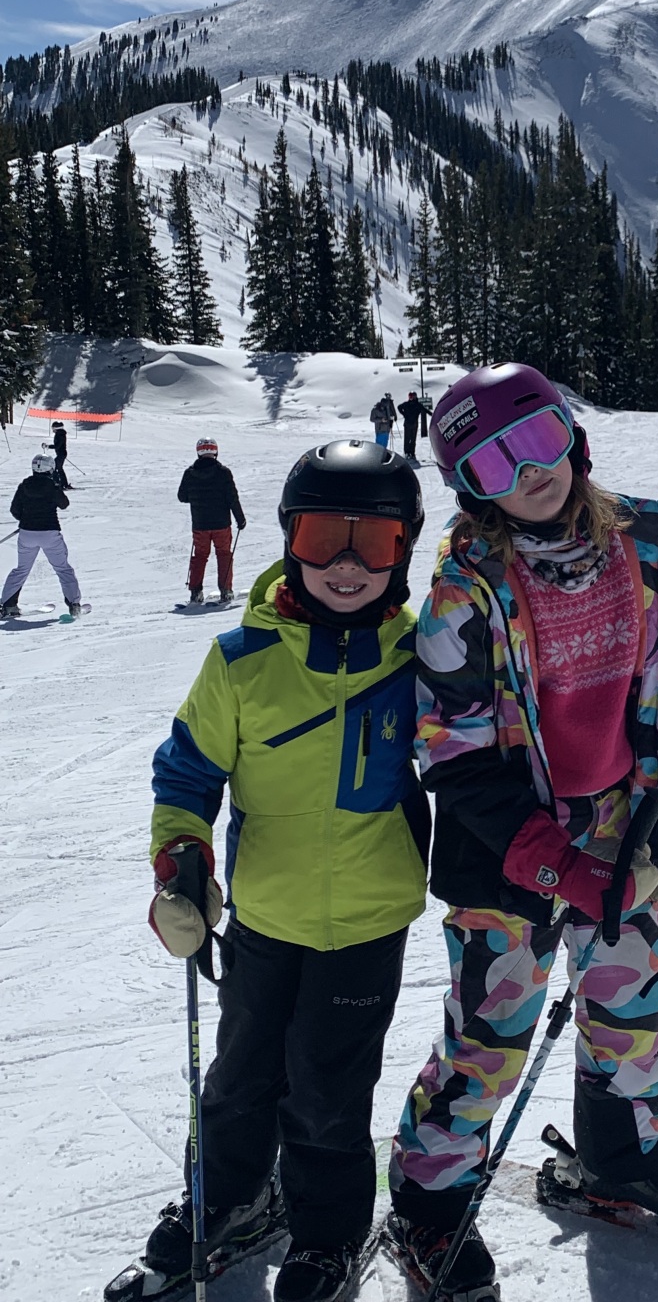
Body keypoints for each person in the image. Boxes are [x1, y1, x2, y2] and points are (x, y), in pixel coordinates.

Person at [386, 363, 658, 1299]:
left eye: (542, 442)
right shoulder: (465, 590)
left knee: (633, 1011)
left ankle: (621, 1158)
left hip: (621, 830)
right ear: (472, 485)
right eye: (498, 464)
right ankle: (429, 1202)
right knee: (490, 1033)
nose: (531, 473)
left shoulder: (636, 544)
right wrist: (558, 870)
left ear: (572, 436)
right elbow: (455, 756)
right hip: (510, 854)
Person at [138, 441, 428, 1302]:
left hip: (368, 921)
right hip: (263, 913)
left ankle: (326, 1235)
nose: (344, 564)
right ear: (288, 540)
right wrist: (182, 860)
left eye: (370, 542)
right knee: (240, 1076)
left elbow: (492, 754)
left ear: (403, 549)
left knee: (329, 1093)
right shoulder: (241, 662)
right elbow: (186, 774)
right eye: (319, 537)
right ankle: (229, 1198)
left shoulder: (426, 662)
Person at [2, 453, 84, 617]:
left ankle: (7, 606)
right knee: (63, 569)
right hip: (49, 533)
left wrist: (27, 521)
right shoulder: (52, 486)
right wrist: (56, 489)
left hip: (27, 534)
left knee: (21, 570)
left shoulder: (24, 485)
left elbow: (14, 510)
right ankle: (74, 604)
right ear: (51, 468)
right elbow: (64, 504)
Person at [178, 439, 247, 605]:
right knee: (224, 555)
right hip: (221, 524)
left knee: (200, 556)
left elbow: (182, 497)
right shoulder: (223, 472)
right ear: (215, 452)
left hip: (200, 524)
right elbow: (232, 498)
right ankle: (226, 591)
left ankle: (195, 592)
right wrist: (240, 518)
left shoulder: (190, 473)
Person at [48, 420, 71, 489]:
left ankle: (59, 484)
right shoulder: (60, 434)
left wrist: (48, 446)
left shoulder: (60, 435)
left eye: (53, 428)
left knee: (55, 468)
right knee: (59, 468)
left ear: (56, 428)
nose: (52, 430)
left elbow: (57, 446)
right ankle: (63, 484)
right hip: (61, 454)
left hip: (61, 454)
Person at [400, 391, 422, 460]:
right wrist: (404, 414)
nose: (411, 397)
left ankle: (412, 453)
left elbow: (425, 410)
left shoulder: (418, 404)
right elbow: (399, 407)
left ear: (415, 396)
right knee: (407, 439)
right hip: (407, 424)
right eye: (410, 396)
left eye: (412, 396)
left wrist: (433, 415)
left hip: (414, 425)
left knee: (413, 439)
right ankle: (406, 452)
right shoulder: (406, 404)